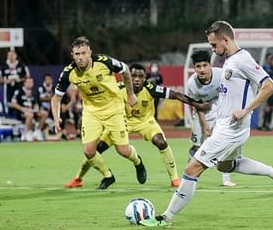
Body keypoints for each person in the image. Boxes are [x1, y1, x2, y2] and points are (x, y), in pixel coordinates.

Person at [140, 21, 273, 227]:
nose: (212, 49)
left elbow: (269, 85)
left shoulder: (242, 59)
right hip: (226, 126)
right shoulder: (229, 61)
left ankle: (165, 218)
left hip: (231, 129)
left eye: (213, 45)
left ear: (225, 39)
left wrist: (247, 109)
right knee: (226, 166)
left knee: (192, 169)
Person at [64, 63, 210, 189]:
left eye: (140, 76)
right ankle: (78, 178)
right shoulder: (116, 88)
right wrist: (86, 117)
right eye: (133, 76)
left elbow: (177, 95)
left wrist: (196, 104)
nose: (137, 80)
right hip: (121, 122)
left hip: (146, 123)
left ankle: (174, 179)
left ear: (145, 78)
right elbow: (98, 102)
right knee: (96, 150)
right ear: (127, 77)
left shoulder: (151, 88)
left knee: (161, 142)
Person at [51, 36, 146, 190]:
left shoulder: (104, 62)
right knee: (88, 151)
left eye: (83, 53)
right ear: (72, 55)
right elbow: (56, 98)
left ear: (90, 53)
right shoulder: (69, 72)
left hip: (114, 109)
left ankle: (138, 162)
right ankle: (108, 176)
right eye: (77, 54)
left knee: (123, 150)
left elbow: (126, 70)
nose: (80, 58)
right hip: (91, 112)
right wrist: (56, 118)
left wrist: (130, 94)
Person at [186, 50, 236, 187]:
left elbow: (230, 95)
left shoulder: (221, 74)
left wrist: (221, 119)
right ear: (194, 67)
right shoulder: (192, 84)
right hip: (201, 114)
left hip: (220, 111)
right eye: (198, 66)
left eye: (204, 65)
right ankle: (188, 175)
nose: (202, 70)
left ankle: (226, 178)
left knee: (223, 143)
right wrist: (205, 125)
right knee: (197, 147)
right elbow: (198, 106)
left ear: (210, 65)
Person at [10, 76, 48, 141]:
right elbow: (13, 103)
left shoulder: (34, 92)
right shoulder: (19, 91)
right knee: (29, 115)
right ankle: (29, 132)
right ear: (24, 83)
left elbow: (36, 103)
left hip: (32, 111)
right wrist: (22, 109)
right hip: (21, 112)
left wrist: (36, 108)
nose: (30, 84)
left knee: (44, 113)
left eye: (31, 82)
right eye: (28, 82)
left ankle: (37, 131)